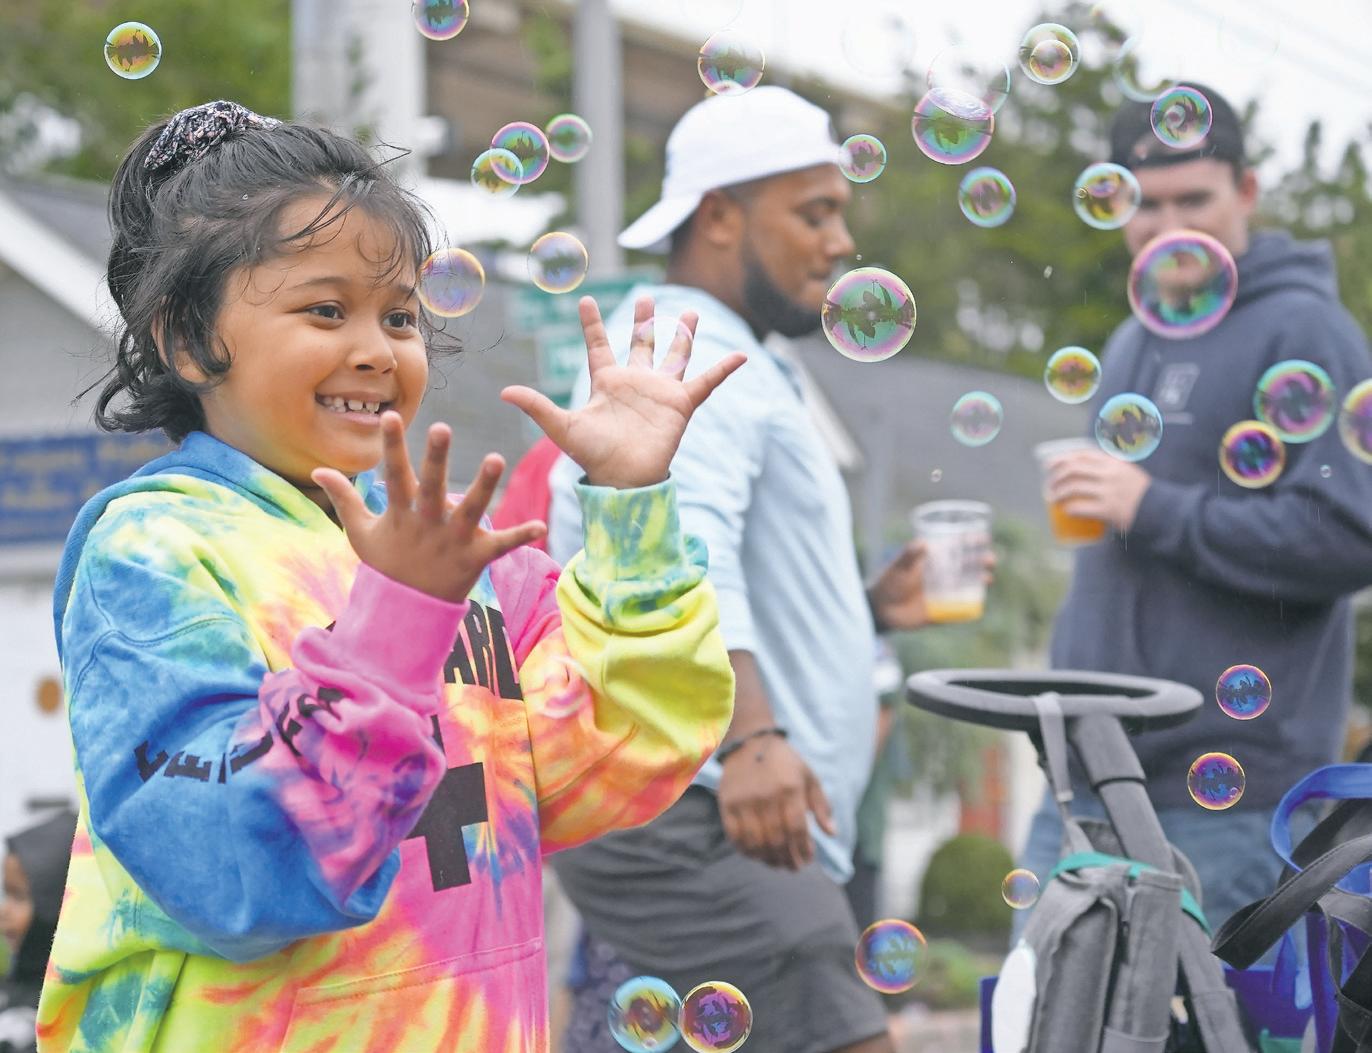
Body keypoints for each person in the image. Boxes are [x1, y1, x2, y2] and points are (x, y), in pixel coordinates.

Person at [35, 100, 745, 1053]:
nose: (377, 348)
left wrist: (629, 507)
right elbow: (231, 868)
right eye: (326, 310)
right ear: (189, 340)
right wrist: (398, 620)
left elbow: (615, 762)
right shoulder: (156, 548)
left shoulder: (466, 553)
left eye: (400, 314)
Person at [545, 86, 937, 1053]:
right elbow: (685, 549)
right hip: (705, 797)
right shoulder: (686, 355)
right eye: (815, 212)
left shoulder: (738, 353)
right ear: (719, 214)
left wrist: (866, 610)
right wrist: (753, 737)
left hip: (715, 791)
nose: (842, 243)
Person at [1016, 82, 1372, 937]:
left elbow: (1351, 533)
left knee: (1203, 1009)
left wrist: (1151, 507)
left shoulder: (1306, 331)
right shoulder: (1131, 338)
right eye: (1146, 203)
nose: (1169, 225)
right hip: (1085, 770)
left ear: (1246, 191)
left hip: (1227, 794)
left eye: (1194, 199)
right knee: (1035, 1000)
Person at [1, 811, 77, 1053]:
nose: (3, 911)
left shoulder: (72, 1011)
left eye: (19, 896)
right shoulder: (14, 985)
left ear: (58, 904)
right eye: (6, 894)